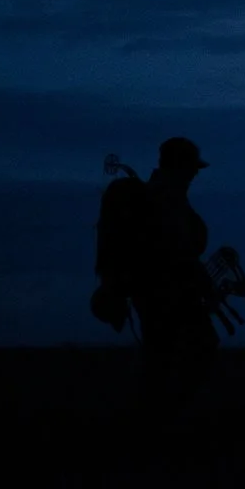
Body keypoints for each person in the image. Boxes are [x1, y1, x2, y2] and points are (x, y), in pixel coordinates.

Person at [93, 136, 222, 412]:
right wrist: (202, 287)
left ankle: (151, 418)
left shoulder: (165, 196)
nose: (196, 173)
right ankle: (155, 420)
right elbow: (179, 252)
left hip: (157, 294)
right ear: (181, 165)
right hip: (165, 295)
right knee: (181, 352)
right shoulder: (166, 198)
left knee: (162, 356)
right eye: (192, 166)